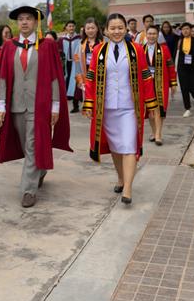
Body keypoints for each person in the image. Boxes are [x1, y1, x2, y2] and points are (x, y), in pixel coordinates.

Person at [0, 6, 72, 208]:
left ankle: (28, 190)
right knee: (26, 145)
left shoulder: (47, 46)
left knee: (32, 145)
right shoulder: (9, 46)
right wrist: (1, 105)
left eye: (28, 19)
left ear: (35, 22)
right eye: (21, 19)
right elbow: (4, 77)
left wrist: (56, 106)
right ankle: (39, 171)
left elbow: (54, 78)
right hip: (16, 105)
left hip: (39, 105)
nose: (24, 22)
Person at [83, 13, 158, 205]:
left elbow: (146, 77)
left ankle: (128, 188)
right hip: (106, 107)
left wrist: (151, 104)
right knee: (116, 146)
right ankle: (120, 178)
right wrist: (89, 103)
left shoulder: (136, 50)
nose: (116, 31)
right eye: (112, 28)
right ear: (106, 30)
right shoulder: (99, 50)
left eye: (120, 28)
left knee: (129, 146)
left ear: (126, 29)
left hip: (129, 107)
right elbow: (90, 78)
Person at [143, 24, 177, 146]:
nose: (151, 36)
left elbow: (171, 66)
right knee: (150, 111)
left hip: (160, 84)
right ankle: (153, 132)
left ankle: (158, 134)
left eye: (154, 34)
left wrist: (173, 83)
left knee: (159, 109)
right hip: (146, 85)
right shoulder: (141, 49)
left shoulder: (164, 49)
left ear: (158, 35)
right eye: (149, 33)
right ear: (146, 35)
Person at [176, 22, 194, 117]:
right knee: (184, 89)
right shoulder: (179, 41)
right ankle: (187, 108)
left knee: (193, 88)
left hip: (193, 68)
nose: (185, 31)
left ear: (190, 30)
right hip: (182, 68)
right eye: (183, 29)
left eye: (187, 29)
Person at [75, 17, 103, 97]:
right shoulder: (80, 45)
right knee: (89, 103)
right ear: (85, 30)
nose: (90, 30)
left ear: (97, 29)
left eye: (93, 28)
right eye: (88, 28)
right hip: (86, 77)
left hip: (102, 76)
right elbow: (76, 63)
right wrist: (80, 81)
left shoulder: (105, 42)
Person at [59, 20, 82, 113]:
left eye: (73, 26)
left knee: (76, 83)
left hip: (76, 63)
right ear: (66, 28)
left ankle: (76, 105)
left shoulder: (79, 38)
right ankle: (66, 104)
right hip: (66, 64)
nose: (71, 28)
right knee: (66, 82)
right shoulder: (62, 39)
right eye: (69, 26)